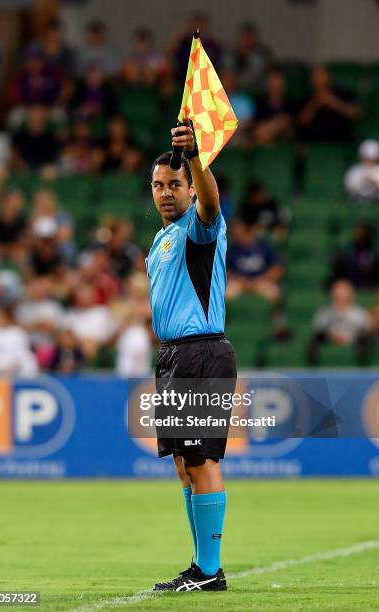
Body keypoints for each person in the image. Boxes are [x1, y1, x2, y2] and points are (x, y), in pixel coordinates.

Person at [147, 124, 236, 591]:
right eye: (159, 185)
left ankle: (209, 570)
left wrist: (197, 159)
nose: (166, 193)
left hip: (201, 352)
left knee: (200, 461)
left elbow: (212, 203)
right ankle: (201, 564)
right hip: (175, 356)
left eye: (174, 184)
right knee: (184, 462)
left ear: (188, 188)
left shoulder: (199, 229)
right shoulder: (159, 243)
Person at [307, 280, 371, 366]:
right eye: (338, 294)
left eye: (344, 293)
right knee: (314, 341)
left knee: (365, 342)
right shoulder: (323, 312)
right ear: (332, 294)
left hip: (354, 340)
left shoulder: (360, 313)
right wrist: (334, 337)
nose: (341, 297)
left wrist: (348, 338)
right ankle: (314, 370)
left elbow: (365, 331)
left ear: (351, 294)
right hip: (329, 340)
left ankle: (362, 370)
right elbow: (318, 331)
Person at [226, 220, 284, 301]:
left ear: (247, 231)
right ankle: (226, 314)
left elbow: (277, 269)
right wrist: (240, 280)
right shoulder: (233, 250)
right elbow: (225, 272)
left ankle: (276, 314)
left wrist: (260, 279)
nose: (235, 235)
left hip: (261, 281)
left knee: (275, 292)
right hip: (239, 283)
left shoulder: (264, 247)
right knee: (226, 293)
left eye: (238, 232)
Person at [298, 66, 359, 142]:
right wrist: (315, 103)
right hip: (314, 140)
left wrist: (333, 102)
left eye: (322, 76)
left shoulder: (343, 94)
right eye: (316, 77)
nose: (319, 80)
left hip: (341, 139)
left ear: (329, 78)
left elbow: (355, 114)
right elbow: (302, 121)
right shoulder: (306, 97)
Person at [328, 222, 379, 290]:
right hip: (350, 284)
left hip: (369, 285)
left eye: (363, 231)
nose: (360, 234)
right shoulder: (349, 249)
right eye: (359, 231)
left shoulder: (373, 251)